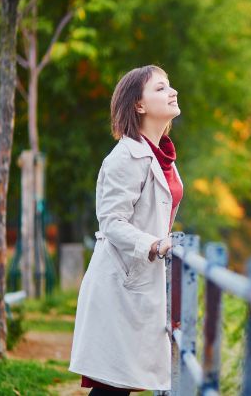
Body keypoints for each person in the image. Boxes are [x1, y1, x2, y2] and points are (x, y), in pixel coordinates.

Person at [69, 65, 184, 394]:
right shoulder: (126, 156)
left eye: (169, 85)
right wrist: (156, 245)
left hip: (142, 281)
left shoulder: (161, 156)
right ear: (139, 105)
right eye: (161, 88)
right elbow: (112, 222)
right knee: (113, 386)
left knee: (120, 385)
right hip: (121, 281)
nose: (172, 92)